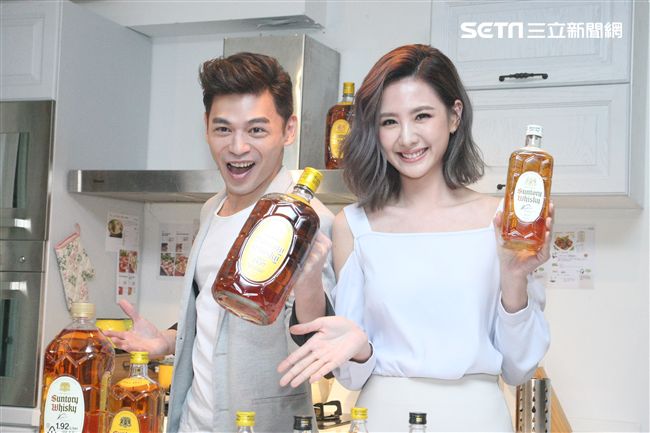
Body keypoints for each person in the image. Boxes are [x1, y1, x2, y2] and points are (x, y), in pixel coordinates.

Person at [277, 44, 552, 432]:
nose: (406, 138)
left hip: (477, 420)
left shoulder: (499, 221)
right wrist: (358, 347)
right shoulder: (353, 225)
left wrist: (515, 279)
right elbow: (350, 376)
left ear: (454, 116)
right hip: (381, 418)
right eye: (389, 121)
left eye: (422, 115)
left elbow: (519, 368)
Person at [105, 52, 335, 433]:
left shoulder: (309, 221)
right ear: (206, 127)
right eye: (223, 129)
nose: (238, 147)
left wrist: (310, 286)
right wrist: (168, 340)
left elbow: (317, 347)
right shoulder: (211, 209)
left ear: (289, 130)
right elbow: (215, 318)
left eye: (256, 130)